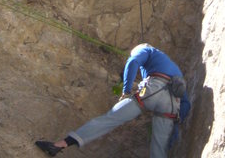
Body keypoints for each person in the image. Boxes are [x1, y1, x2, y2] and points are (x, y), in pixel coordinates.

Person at [35, 43, 191, 157]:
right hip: (172, 104)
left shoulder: (146, 49)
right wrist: (174, 129)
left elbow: (133, 62)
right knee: (159, 150)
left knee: (110, 119)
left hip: (153, 90)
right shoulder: (174, 69)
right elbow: (186, 104)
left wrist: (126, 91)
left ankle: (59, 145)